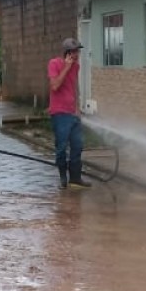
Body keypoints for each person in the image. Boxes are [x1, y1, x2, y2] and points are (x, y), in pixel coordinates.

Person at [48, 38, 91, 190]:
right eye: (75, 52)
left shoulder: (76, 67)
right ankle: (63, 178)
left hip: (72, 113)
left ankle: (75, 178)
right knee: (61, 148)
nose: (77, 54)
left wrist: (77, 108)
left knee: (77, 146)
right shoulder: (54, 63)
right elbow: (55, 86)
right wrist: (66, 67)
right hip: (60, 114)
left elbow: (74, 87)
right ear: (67, 53)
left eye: (78, 51)